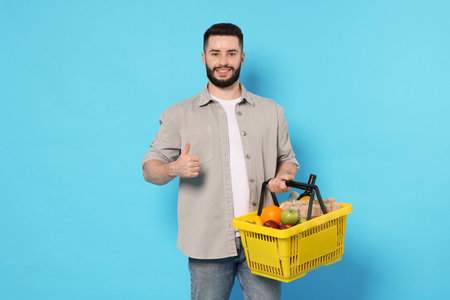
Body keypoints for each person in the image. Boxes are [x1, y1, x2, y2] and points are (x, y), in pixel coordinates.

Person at [142, 23, 299, 300]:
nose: (223, 61)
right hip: (207, 242)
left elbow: (288, 160)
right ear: (203, 57)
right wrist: (173, 168)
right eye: (215, 53)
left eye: (231, 53)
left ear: (242, 57)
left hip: (263, 235)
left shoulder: (271, 111)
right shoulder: (178, 114)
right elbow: (149, 169)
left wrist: (282, 178)